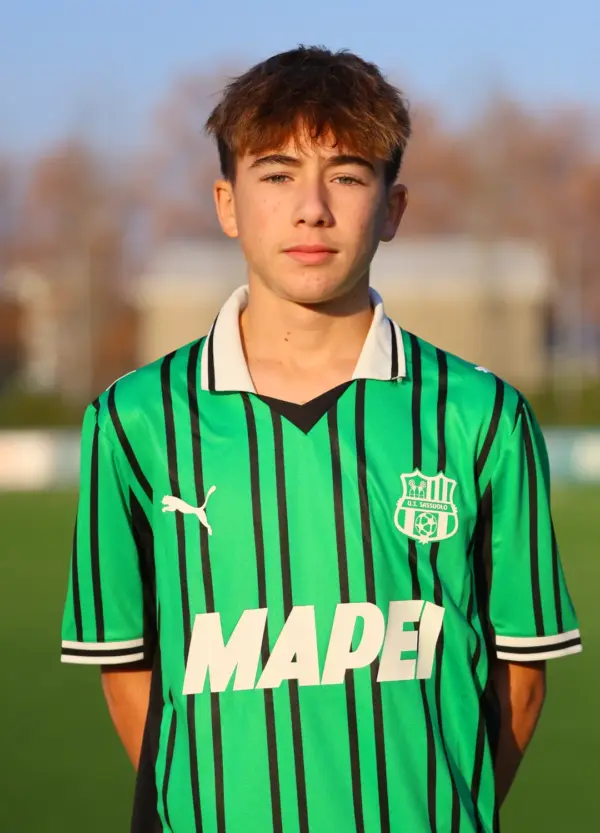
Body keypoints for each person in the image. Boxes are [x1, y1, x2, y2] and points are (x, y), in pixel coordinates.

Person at [60, 46, 582, 833]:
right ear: (227, 203)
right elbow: (126, 671)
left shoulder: (481, 416)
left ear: (393, 207)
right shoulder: (134, 420)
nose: (312, 208)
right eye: (276, 175)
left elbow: (523, 677)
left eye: (346, 175)